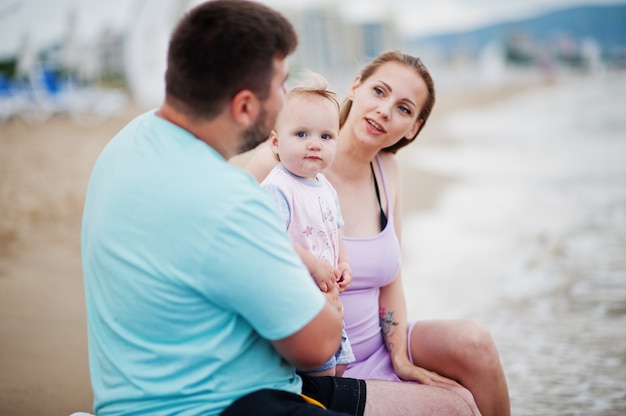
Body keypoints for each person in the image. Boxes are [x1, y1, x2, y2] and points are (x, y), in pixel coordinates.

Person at [81, 1, 479, 415]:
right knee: (455, 407)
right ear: (246, 107)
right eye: (282, 85)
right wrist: (328, 302)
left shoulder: (128, 142)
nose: (288, 97)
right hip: (231, 400)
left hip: (135, 389)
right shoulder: (231, 198)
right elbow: (318, 346)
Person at [246, 50, 511, 416]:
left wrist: (400, 355)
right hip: (316, 360)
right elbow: (236, 250)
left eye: (404, 108)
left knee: (476, 344)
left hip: (377, 345)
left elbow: (392, 279)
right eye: (380, 92)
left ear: (413, 127)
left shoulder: (388, 170)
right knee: (458, 406)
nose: (385, 110)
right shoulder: (281, 162)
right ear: (356, 87)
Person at [260, 75, 354, 377]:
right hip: (298, 303)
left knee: (341, 367)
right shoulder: (278, 187)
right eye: (301, 134)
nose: (315, 144)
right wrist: (313, 265)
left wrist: (343, 262)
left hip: (328, 299)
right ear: (276, 141)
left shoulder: (325, 186)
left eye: (326, 137)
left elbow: (335, 227)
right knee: (320, 377)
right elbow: (268, 238)